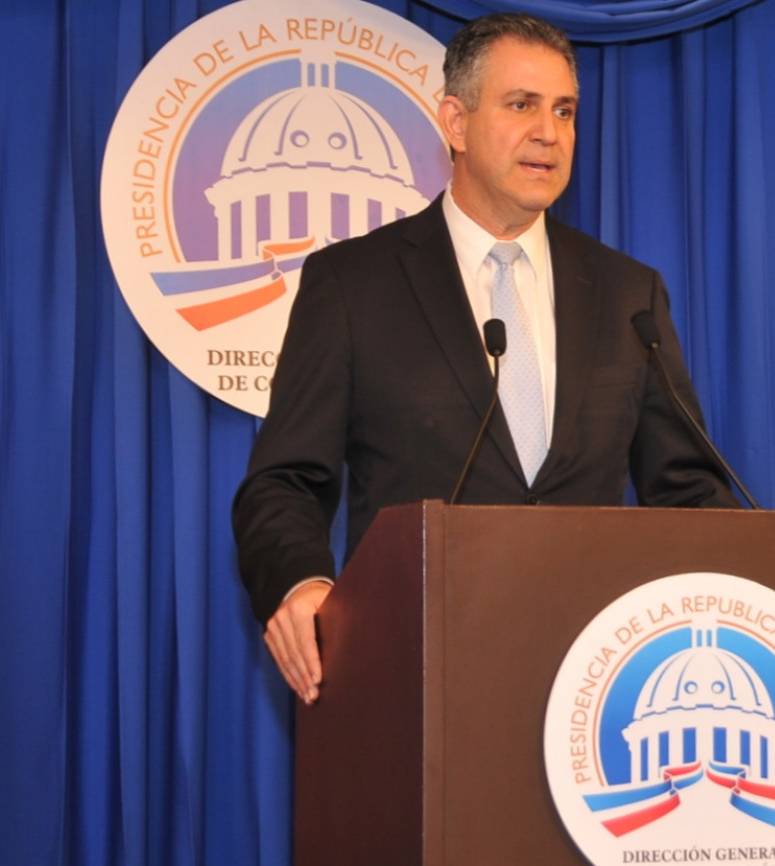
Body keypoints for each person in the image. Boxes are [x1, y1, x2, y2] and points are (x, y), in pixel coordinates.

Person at [232, 12, 738, 705]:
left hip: (596, 689)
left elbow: (686, 489)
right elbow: (284, 480)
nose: (549, 133)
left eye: (565, 111)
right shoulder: (354, 285)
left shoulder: (627, 293)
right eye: (522, 105)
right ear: (456, 122)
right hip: (412, 671)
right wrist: (303, 585)